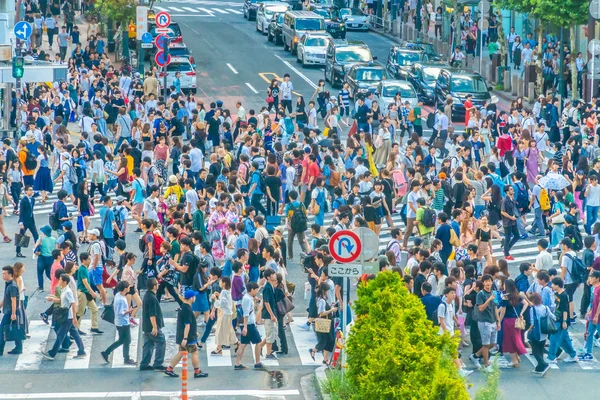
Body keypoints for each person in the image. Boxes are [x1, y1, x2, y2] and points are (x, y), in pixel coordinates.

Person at [164, 290, 209, 378]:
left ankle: (169, 369)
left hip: (184, 335)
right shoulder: (187, 309)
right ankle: (197, 371)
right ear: (191, 298)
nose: (195, 298)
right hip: (188, 337)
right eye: (194, 296)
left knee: (181, 352)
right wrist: (185, 338)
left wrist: (194, 331)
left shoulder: (183, 307)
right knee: (194, 352)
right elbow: (187, 325)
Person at [41, 274, 85, 360]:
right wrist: (52, 298)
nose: (59, 281)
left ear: (65, 282)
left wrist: (74, 318)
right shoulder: (63, 290)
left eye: (60, 280)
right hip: (66, 316)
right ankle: (81, 350)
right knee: (75, 334)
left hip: (67, 317)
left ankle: (52, 353)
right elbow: (62, 300)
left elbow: (73, 303)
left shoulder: (68, 291)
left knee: (60, 335)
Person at [100, 280, 136, 365]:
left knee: (122, 340)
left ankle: (107, 352)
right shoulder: (120, 299)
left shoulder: (118, 295)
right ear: (124, 289)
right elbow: (120, 313)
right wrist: (129, 311)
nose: (128, 288)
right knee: (126, 341)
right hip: (122, 323)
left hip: (121, 322)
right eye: (127, 287)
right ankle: (126, 358)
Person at [546, 277, 579, 364]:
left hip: (561, 321)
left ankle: (551, 357)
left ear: (557, 285)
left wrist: (564, 322)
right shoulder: (557, 293)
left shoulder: (564, 295)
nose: (551, 285)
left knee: (554, 339)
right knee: (565, 340)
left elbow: (565, 310)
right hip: (557, 318)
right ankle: (573, 355)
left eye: (553, 284)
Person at [140, 278, 166, 371]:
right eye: (157, 284)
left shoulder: (147, 295)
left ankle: (144, 363)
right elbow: (152, 314)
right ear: (154, 286)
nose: (158, 285)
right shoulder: (152, 298)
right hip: (151, 326)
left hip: (146, 326)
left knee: (148, 344)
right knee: (161, 340)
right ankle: (158, 363)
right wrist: (155, 327)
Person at [473, 274, 498, 371]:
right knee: (486, 344)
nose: (488, 283)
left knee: (493, 343)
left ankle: (476, 356)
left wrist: (498, 321)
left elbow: (495, 307)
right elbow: (481, 308)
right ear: (483, 283)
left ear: (492, 282)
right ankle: (487, 365)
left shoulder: (494, 293)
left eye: (489, 281)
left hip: (493, 321)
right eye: (486, 281)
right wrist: (489, 299)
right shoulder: (480, 294)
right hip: (484, 321)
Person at [0, 265, 24, 355]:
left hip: (11, 312)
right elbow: (5, 298)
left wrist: (13, 313)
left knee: (2, 329)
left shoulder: (12, 286)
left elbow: (13, 300)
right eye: (2, 274)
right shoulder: (8, 284)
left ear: (10, 274)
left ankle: (0, 349)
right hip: (9, 311)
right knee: (15, 329)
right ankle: (19, 348)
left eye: (4, 274)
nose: (2, 276)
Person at [527, 292, 552, 376]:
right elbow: (552, 317)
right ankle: (539, 367)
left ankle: (543, 364)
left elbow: (532, 322)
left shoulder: (533, 309)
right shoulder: (545, 307)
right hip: (545, 331)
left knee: (535, 351)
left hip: (536, 332)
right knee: (541, 349)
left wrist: (528, 331)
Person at [16, 185, 38, 258]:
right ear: (26, 191)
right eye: (30, 190)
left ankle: (37, 250)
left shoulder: (32, 199)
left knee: (36, 235)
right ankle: (18, 252)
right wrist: (21, 222)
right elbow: (21, 212)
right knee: (21, 236)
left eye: (32, 190)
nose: (31, 191)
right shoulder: (23, 200)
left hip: (31, 220)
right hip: (25, 221)